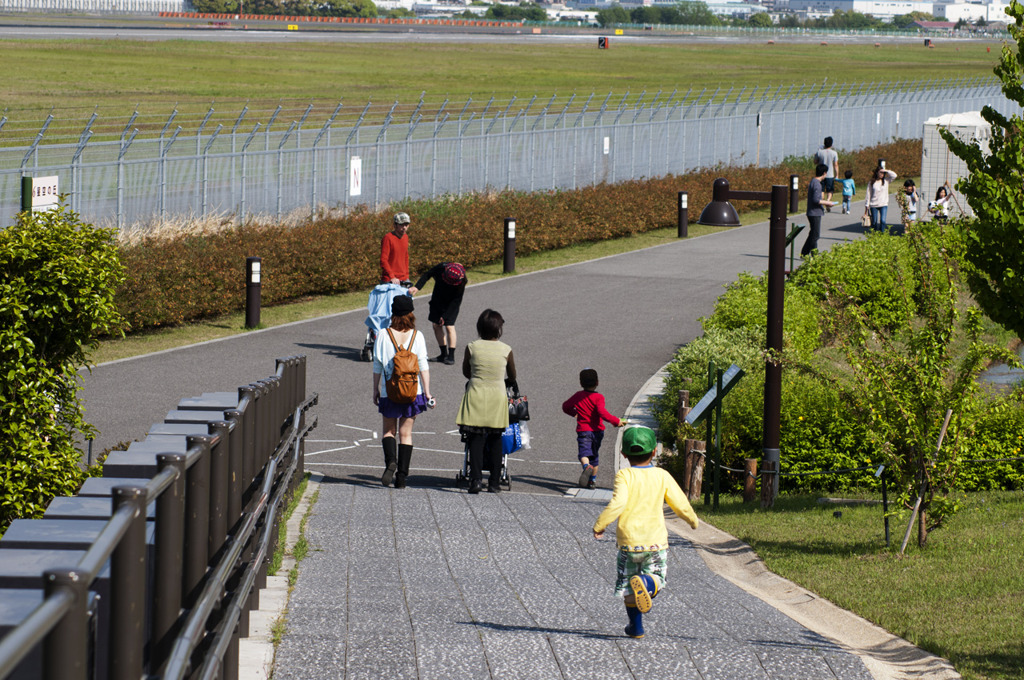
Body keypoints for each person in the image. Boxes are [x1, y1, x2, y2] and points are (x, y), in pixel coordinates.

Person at [592, 426, 699, 639]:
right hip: (655, 542)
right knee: (657, 576)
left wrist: (600, 524)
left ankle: (636, 627)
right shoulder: (662, 475)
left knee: (629, 587)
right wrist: (692, 520)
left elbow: (618, 503)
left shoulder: (624, 475)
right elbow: (679, 502)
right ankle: (648, 584)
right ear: (654, 452)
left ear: (623, 454)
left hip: (627, 543)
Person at [372, 295, 433, 489]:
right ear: (411, 313)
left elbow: (377, 365)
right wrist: (428, 392)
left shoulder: (383, 334)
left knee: (389, 431)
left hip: (389, 390)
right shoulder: (418, 335)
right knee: (406, 434)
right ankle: (402, 477)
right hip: (413, 390)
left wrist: (376, 388)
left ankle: (391, 461)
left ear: (393, 313)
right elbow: (423, 365)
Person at [456, 309, 517, 494]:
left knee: (475, 439)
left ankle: (474, 481)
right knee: (496, 438)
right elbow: (512, 375)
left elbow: (466, 372)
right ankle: (494, 482)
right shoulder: (506, 349)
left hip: (476, 393)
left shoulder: (472, 347)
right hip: (497, 396)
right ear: (499, 329)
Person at [562, 368, 622, 490]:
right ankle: (592, 481)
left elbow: (566, 406)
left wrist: (575, 413)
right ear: (597, 382)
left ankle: (586, 467)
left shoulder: (578, 396)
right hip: (598, 431)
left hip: (584, 430)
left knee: (584, 454)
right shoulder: (599, 397)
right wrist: (616, 421)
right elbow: (602, 412)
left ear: (581, 383)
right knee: (594, 456)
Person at [408, 262, 467, 366]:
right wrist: (417, 287)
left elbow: (456, 301)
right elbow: (427, 274)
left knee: (449, 326)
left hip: (451, 303)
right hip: (438, 298)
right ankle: (443, 354)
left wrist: (445, 315)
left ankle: (451, 356)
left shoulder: (461, 280)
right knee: (436, 325)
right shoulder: (441, 267)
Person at [801, 163, 834, 258]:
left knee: (812, 234)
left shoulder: (813, 181)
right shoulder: (817, 184)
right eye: (826, 173)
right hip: (814, 212)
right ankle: (814, 255)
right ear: (824, 173)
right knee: (815, 235)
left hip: (812, 212)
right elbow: (815, 200)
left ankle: (804, 253)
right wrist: (828, 203)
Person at [864, 165, 898, 234]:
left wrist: (886, 170)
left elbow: (894, 175)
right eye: (880, 172)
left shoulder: (886, 181)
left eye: (883, 173)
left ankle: (882, 234)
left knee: (883, 221)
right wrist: (867, 206)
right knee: (874, 222)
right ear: (877, 173)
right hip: (874, 205)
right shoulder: (872, 182)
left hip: (883, 204)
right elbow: (868, 194)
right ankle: (874, 234)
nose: (882, 174)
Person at [380, 212, 411, 285]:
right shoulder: (388, 238)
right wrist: (392, 276)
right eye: (401, 225)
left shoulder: (405, 237)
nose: (404, 227)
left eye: (406, 225)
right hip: (390, 280)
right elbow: (383, 260)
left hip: (403, 279)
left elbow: (405, 257)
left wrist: (406, 276)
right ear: (395, 225)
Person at [813, 136, 839, 210]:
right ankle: (828, 201)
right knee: (830, 190)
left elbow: (815, 162)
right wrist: (837, 175)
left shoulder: (819, 152)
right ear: (831, 144)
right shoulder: (834, 153)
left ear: (824, 143)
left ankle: (823, 202)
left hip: (820, 175)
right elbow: (836, 165)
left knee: (821, 189)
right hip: (830, 174)